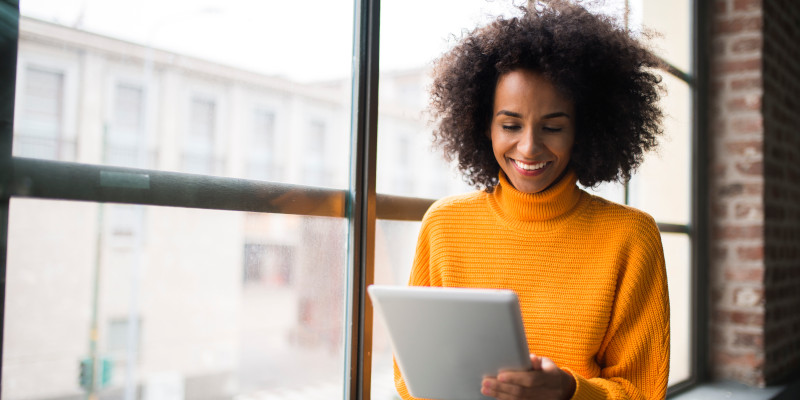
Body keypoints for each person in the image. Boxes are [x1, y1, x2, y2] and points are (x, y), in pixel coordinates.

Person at [394, 2, 670, 400]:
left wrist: (568, 391)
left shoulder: (630, 236)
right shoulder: (444, 225)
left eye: (553, 127)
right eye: (510, 125)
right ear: (481, 124)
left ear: (585, 129)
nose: (528, 147)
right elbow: (409, 375)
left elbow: (642, 391)